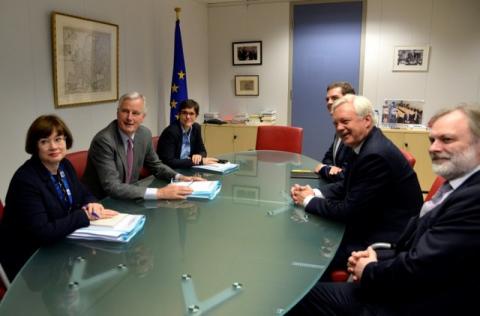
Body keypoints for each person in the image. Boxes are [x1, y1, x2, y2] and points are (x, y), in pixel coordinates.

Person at [288, 104, 480, 316]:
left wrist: (369, 268)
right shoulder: (458, 184)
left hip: (412, 302)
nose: (433, 148)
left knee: (299, 295)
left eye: (447, 139)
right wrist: (379, 256)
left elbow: (420, 268)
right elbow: (426, 251)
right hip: (399, 264)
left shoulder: (473, 199)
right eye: (432, 140)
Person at [291, 94, 423, 280]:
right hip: (371, 220)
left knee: (307, 254)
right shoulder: (363, 143)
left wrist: (308, 201)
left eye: (345, 121)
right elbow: (346, 185)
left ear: (367, 120)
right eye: (335, 123)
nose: (339, 128)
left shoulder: (374, 154)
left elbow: (348, 211)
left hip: (383, 237)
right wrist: (315, 192)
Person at [0, 115, 118, 280]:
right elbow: (43, 232)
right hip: (30, 261)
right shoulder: (26, 181)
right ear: (35, 146)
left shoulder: (64, 165)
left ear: (66, 141)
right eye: (44, 141)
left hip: (61, 246)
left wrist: (92, 203)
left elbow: (83, 192)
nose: (53, 146)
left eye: (58, 139)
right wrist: (83, 216)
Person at [83, 92, 203, 200]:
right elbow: (113, 187)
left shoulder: (144, 134)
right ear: (117, 113)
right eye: (125, 111)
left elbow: (156, 166)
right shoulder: (104, 141)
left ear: (143, 117)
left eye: (135, 113)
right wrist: (160, 193)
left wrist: (180, 177)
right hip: (102, 202)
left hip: (131, 198)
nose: (129, 118)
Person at [157, 99, 218, 169]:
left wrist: (199, 155)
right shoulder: (171, 132)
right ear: (179, 114)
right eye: (184, 113)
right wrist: (199, 161)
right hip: (171, 171)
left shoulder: (196, 128)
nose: (188, 117)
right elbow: (169, 162)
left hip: (187, 168)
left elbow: (202, 151)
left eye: (191, 114)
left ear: (196, 116)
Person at [314, 81, 355, 183]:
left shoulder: (354, 130)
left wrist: (324, 169)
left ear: (349, 100)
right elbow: (328, 157)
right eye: (327, 99)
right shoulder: (339, 125)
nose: (329, 102)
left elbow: (345, 176)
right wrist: (331, 167)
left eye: (335, 98)